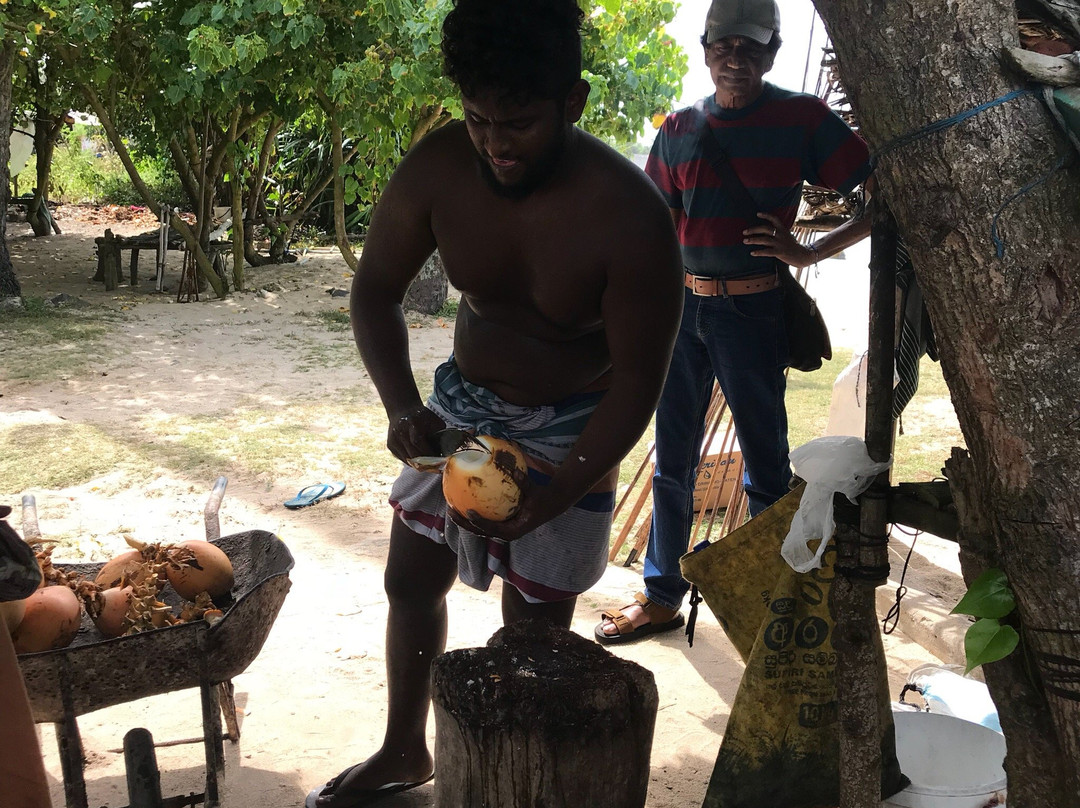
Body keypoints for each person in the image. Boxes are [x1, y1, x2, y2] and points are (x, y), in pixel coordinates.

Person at [305, 0, 684, 805]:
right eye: (478, 120)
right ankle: (406, 748)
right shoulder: (440, 168)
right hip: (462, 410)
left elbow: (638, 383)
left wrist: (559, 490)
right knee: (410, 579)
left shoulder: (632, 218)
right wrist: (403, 408)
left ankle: (524, 785)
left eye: (519, 123)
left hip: (576, 429)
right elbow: (374, 291)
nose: (496, 144)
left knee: (535, 631)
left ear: (573, 104)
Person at [596, 0, 874, 645]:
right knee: (673, 462)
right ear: (705, 49)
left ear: (771, 53)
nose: (736, 58)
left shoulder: (802, 117)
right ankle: (662, 596)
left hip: (752, 311)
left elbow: (882, 194)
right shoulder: (680, 127)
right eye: (724, 46)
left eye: (750, 48)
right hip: (683, 313)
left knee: (765, 464)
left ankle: (768, 601)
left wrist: (809, 252)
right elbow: (656, 223)